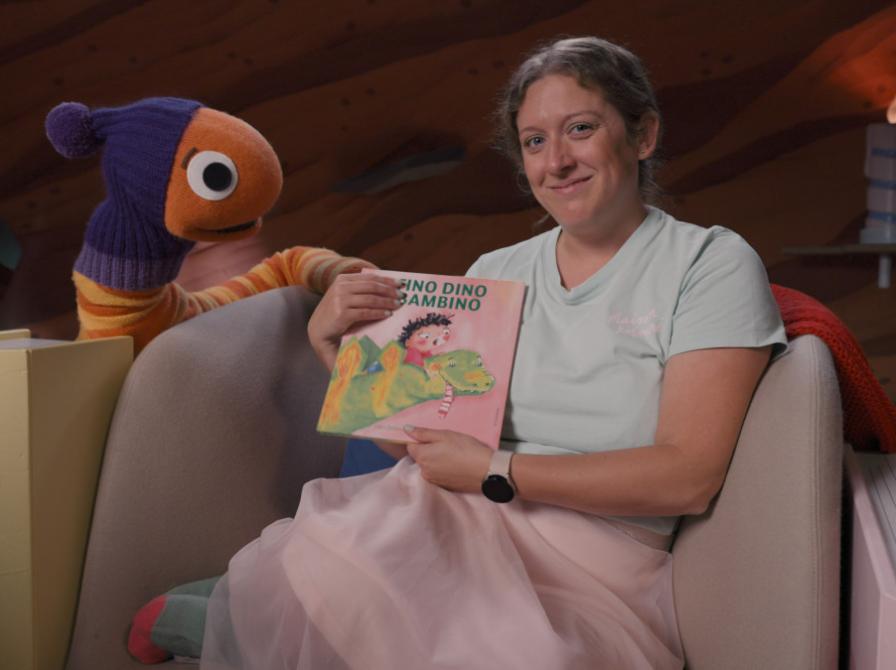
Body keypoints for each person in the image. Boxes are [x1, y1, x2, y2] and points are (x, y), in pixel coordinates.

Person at [199, 36, 787, 669]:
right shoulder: (495, 272)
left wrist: (495, 469)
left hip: (593, 565)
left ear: (643, 135)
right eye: (534, 141)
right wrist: (336, 349)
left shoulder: (708, 263)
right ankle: (215, 613)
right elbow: (428, 446)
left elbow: (688, 477)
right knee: (319, 580)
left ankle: (207, 613)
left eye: (581, 129)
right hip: (445, 520)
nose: (556, 161)